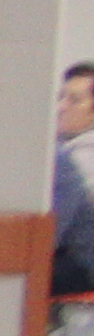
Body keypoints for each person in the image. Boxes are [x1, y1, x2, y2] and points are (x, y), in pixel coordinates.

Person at [55, 60, 93, 297]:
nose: (61, 107)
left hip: (83, 262)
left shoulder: (82, 159)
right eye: (61, 97)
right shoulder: (63, 150)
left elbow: (55, 227)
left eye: (74, 100)